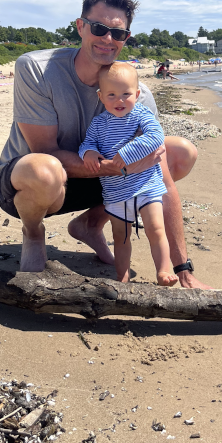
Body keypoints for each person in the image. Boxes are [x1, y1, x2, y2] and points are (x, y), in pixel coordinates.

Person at [0, 0, 206, 288]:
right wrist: (116, 166)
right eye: (99, 28)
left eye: (117, 33)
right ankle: (33, 232)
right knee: (46, 171)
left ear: (126, 38)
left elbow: (163, 180)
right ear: (80, 26)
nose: (108, 39)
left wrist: (182, 268)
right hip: (31, 186)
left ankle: (91, 224)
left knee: (181, 153)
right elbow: (46, 149)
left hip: (100, 179)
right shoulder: (37, 69)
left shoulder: (137, 95)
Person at [79, 62, 177, 286]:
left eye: (126, 94)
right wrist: (90, 154)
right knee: (121, 237)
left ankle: (163, 270)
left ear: (138, 94)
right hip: (115, 191)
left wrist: (128, 151)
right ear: (101, 96)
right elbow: (87, 144)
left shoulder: (141, 114)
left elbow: (156, 136)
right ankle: (121, 276)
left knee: (156, 229)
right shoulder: (98, 123)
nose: (119, 100)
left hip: (146, 185)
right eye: (111, 95)